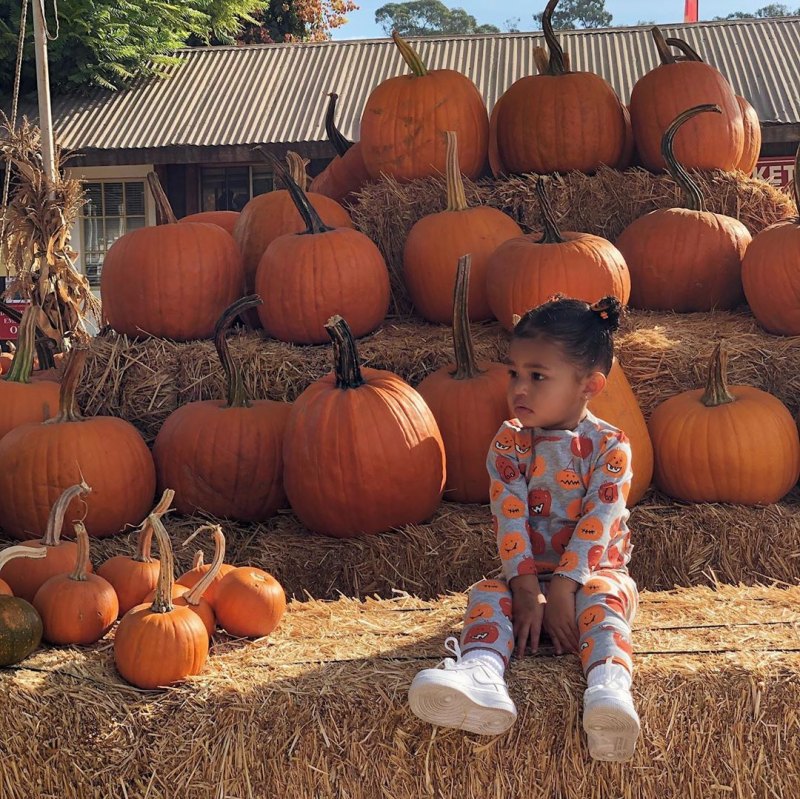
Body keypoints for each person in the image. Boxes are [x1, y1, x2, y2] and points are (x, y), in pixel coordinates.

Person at [408, 295, 640, 762]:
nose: (519, 388)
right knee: (486, 595)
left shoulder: (610, 447)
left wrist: (563, 592)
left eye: (538, 377)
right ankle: (482, 674)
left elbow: (598, 524)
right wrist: (525, 588)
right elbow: (508, 518)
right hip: (529, 578)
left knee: (603, 600)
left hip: (592, 576)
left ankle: (608, 688)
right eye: (514, 372)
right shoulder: (509, 443)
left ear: (589, 385)